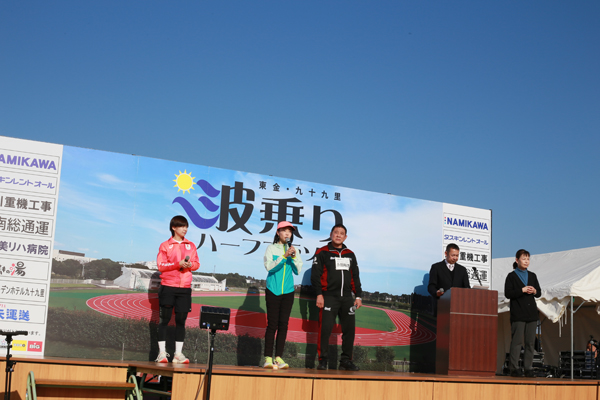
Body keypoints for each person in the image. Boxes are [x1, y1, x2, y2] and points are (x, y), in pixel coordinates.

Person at [311, 224, 362, 371]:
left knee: (349, 331)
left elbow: (355, 276)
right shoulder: (322, 252)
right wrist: (319, 294)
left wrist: (358, 295)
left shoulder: (350, 254)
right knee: (325, 329)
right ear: (331, 234)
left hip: (347, 298)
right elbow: (315, 275)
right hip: (329, 297)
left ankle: (346, 360)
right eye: (336, 232)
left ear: (345, 237)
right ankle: (323, 360)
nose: (338, 235)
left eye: (341, 233)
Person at [155, 215, 200, 363]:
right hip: (168, 286)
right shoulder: (165, 245)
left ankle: (178, 354)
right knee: (165, 319)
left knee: (181, 321)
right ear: (174, 227)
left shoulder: (191, 245)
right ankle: (162, 353)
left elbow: (196, 264)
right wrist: (177, 264)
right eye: (182, 226)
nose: (185, 229)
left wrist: (190, 265)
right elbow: (161, 266)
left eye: (186, 226)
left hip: (184, 289)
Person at [262, 221, 303, 369]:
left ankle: (278, 357)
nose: (287, 233)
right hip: (273, 290)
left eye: (290, 231)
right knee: (272, 324)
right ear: (278, 232)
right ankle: (268, 358)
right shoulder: (271, 248)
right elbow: (269, 267)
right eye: (284, 230)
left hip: (288, 292)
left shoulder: (294, 250)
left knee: (283, 325)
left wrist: (293, 257)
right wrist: (284, 256)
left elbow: (298, 270)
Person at [505, 249, 541, 377]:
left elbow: (539, 293)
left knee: (530, 343)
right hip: (518, 313)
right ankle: (514, 368)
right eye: (524, 259)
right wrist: (522, 290)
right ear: (517, 260)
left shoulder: (532, 275)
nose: (526, 261)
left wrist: (534, 291)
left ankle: (528, 368)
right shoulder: (511, 276)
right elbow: (508, 293)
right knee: (517, 342)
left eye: (528, 259)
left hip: (531, 313)